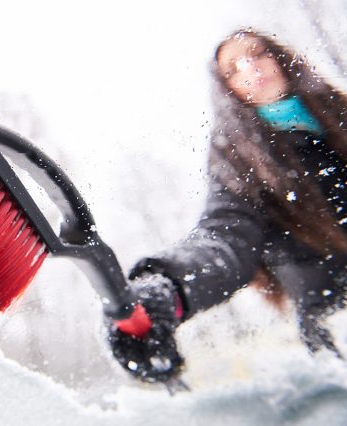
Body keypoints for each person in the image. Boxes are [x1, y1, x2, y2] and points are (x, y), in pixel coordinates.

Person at [109, 29, 347, 383]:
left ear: (280, 57)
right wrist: (170, 289)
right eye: (233, 68)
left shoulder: (339, 111)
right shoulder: (238, 162)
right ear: (227, 90)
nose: (251, 67)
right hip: (337, 326)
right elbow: (225, 240)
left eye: (257, 53)